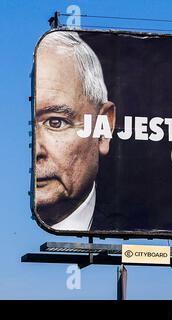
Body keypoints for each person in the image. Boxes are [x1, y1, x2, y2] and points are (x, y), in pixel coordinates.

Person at [34, 31, 116, 231]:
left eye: (55, 122)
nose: (36, 150)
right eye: (27, 126)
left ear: (103, 127)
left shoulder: (136, 219)